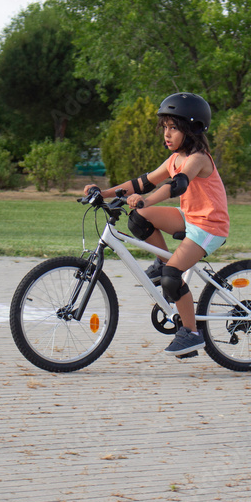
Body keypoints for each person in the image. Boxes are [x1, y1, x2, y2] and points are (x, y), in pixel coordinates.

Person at [83, 92, 229, 357]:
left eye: (174, 128)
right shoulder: (174, 159)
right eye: (165, 127)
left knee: (172, 278)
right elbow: (141, 183)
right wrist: (102, 193)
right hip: (189, 217)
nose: (167, 133)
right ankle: (163, 264)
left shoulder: (198, 158)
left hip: (210, 227)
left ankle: (191, 333)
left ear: (193, 129)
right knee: (139, 218)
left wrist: (146, 200)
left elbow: (177, 184)